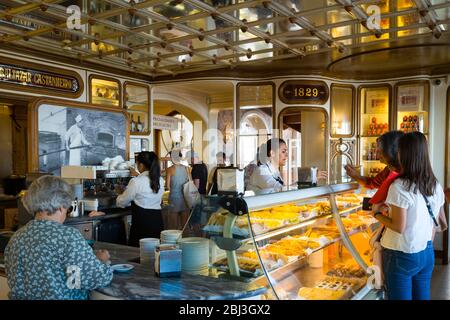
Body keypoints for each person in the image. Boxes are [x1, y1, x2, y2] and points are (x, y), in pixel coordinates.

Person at [5, 176, 112, 300]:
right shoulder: (67, 236)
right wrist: (102, 262)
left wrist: (85, 260)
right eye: (68, 208)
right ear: (61, 206)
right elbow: (91, 280)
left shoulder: (17, 237)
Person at [371, 132, 445, 300]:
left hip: (401, 254)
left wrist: (376, 213)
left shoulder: (399, 186)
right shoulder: (434, 184)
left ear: (404, 154)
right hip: (426, 253)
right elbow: (439, 223)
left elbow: (399, 226)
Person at [116, 151, 165, 247]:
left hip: (142, 224)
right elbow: (145, 183)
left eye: (137, 164)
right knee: (154, 252)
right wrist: (137, 175)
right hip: (157, 221)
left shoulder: (135, 182)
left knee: (138, 254)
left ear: (141, 165)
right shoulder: (160, 180)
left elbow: (122, 202)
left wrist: (118, 195)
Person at [165, 149, 190, 230]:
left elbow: (167, 186)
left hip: (174, 198)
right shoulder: (187, 168)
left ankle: (174, 242)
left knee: (173, 226)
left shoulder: (169, 169)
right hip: (185, 198)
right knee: (184, 226)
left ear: (172, 158)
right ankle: (185, 241)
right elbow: (190, 183)